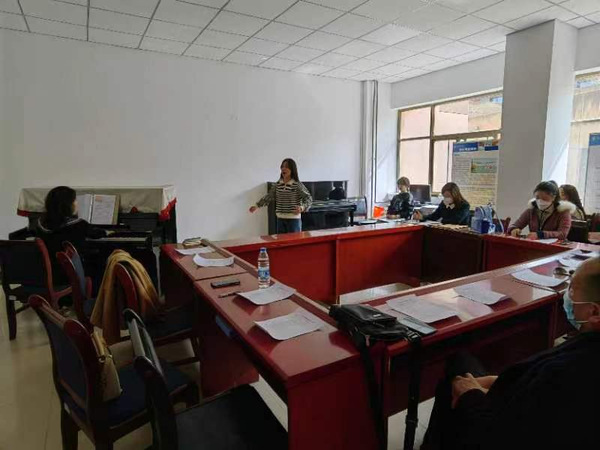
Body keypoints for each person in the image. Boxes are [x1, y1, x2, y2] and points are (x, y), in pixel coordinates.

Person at [421, 257, 600, 450]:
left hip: (496, 431)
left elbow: (501, 435)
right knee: (462, 362)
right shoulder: (580, 353)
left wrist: (470, 394)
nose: (568, 297)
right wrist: (503, 383)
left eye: (572, 291)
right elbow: (535, 391)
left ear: (594, 312)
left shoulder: (568, 371)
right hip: (518, 405)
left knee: (457, 373)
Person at [36, 186, 107, 283]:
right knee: (101, 262)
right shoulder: (79, 225)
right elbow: (99, 233)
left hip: (45, 275)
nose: (77, 203)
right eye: (75, 200)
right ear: (67, 204)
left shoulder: (39, 224)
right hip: (71, 276)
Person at [249, 158, 313, 234]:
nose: (283, 169)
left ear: (292, 169)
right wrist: (256, 206)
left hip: (294, 220)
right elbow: (269, 196)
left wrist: (302, 208)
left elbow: (308, 198)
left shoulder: (297, 184)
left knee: (294, 241)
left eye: (286, 167)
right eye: (282, 166)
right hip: (280, 219)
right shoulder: (277, 184)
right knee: (282, 241)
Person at [507, 181, 574, 240]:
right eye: (537, 198)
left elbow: (562, 234)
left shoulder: (563, 212)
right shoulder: (531, 210)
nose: (540, 201)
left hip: (555, 247)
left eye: (544, 198)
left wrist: (540, 234)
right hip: (534, 245)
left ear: (553, 197)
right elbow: (514, 225)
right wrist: (514, 229)